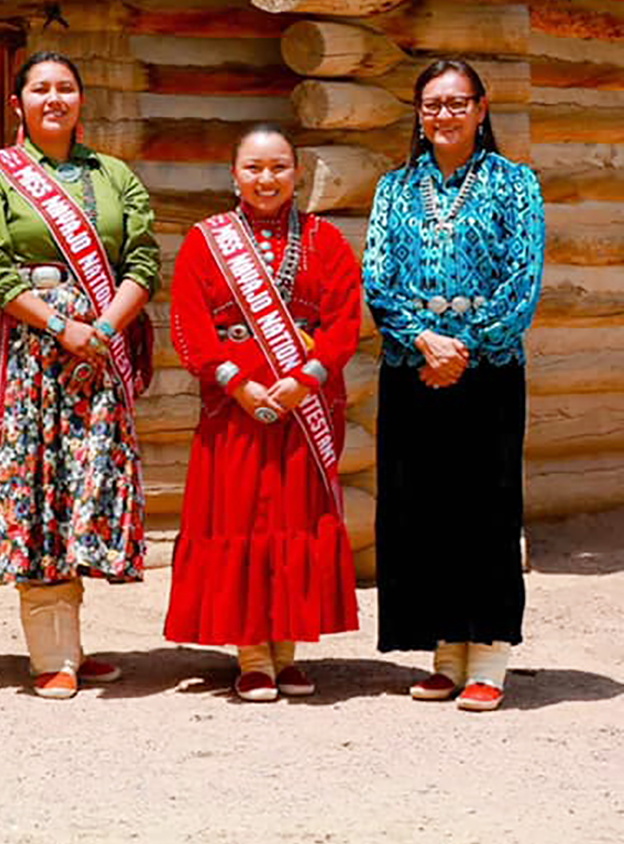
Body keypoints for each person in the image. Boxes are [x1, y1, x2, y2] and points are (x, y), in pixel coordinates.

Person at [0, 50, 158, 699]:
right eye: (40, 89)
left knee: (83, 490)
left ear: (80, 101)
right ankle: (51, 653)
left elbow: (144, 257)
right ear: (18, 103)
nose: (53, 98)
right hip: (28, 355)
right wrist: (60, 326)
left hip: (96, 356)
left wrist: (102, 329)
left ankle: (68, 639)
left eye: (65, 88)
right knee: (35, 493)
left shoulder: (113, 174)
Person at [363, 59, 544, 713]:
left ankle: (489, 654)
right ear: (418, 112)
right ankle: (444, 652)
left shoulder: (516, 185)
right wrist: (423, 340)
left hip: (488, 370)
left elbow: (522, 282)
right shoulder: (393, 188)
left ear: (481, 107)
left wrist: (465, 347)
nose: (444, 114)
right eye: (432, 104)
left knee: (487, 506)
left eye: (456, 102)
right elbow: (377, 279)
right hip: (412, 368)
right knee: (423, 507)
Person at [164, 124, 361, 701]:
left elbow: (344, 322)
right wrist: (237, 383)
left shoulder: (326, 241)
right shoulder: (206, 241)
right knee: (240, 520)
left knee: (294, 520)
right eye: (254, 167)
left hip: (303, 409)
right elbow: (190, 324)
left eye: (278, 167)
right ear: (234, 174)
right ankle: (252, 652)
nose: (266, 179)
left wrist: (306, 380)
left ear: (297, 173)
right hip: (235, 408)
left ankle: (287, 646)